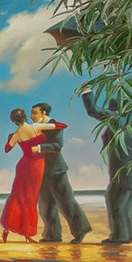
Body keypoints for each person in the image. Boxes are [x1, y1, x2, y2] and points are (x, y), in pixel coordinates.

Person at [81, 91, 132, 244]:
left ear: (117, 110)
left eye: (112, 110)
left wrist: (86, 93)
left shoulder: (117, 120)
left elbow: (93, 110)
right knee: (124, 204)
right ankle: (130, 233)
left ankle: (120, 236)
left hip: (122, 172)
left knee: (116, 203)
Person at [0, 108, 61, 243]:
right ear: (25, 116)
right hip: (36, 166)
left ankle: (7, 229)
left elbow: (7, 149)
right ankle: (27, 235)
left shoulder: (16, 135)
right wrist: (45, 121)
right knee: (30, 199)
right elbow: (60, 126)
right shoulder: (36, 127)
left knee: (17, 195)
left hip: (23, 166)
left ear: (14, 121)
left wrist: (11, 137)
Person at [31, 102, 91, 243]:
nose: (32, 116)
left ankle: (80, 230)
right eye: (31, 113)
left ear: (44, 113)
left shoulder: (55, 126)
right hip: (42, 172)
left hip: (56, 171)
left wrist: (39, 148)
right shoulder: (34, 127)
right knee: (46, 207)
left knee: (66, 203)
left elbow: (57, 145)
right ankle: (52, 236)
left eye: (34, 113)